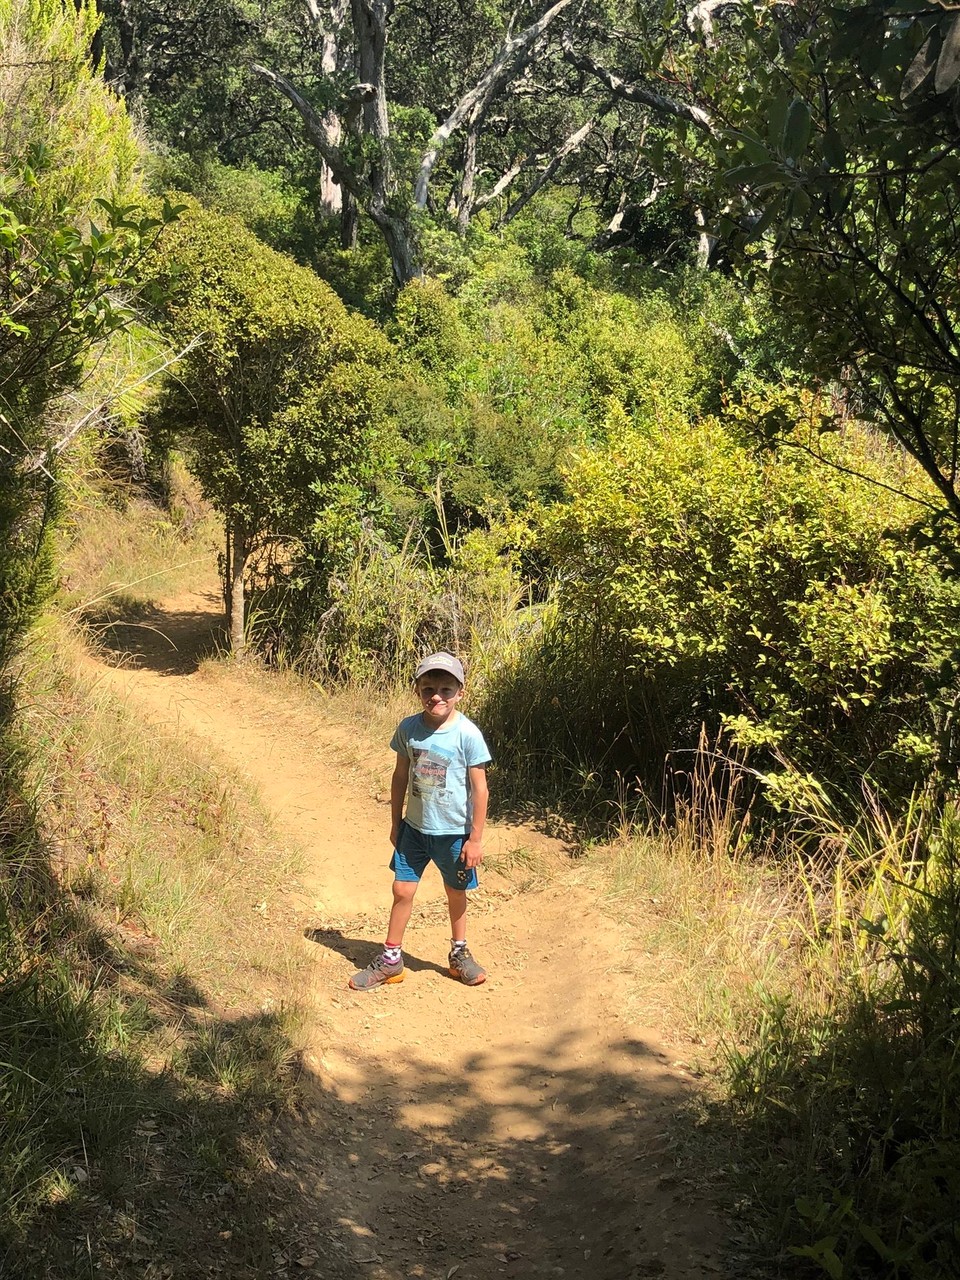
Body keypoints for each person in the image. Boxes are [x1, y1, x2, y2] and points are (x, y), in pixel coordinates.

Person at [349, 650, 491, 990]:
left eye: (446, 688)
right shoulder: (409, 728)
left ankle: (459, 954)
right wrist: (396, 823)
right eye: (428, 689)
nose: (437, 696)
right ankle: (391, 960)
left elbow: (480, 790)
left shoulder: (467, 734)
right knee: (401, 890)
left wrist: (474, 839)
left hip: (454, 834)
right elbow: (400, 776)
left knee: (455, 892)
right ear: (417, 690)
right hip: (414, 829)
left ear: (461, 691)